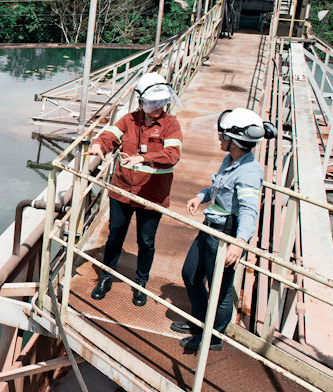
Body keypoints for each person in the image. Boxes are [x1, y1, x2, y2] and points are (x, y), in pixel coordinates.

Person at [171, 108, 275, 351]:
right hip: (210, 229)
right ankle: (200, 322)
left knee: (220, 289)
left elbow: (249, 210)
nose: (220, 139)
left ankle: (213, 337)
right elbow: (217, 189)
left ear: (234, 141)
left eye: (223, 136)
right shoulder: (230, 161)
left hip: (226, 236)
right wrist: (201, 196)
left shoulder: (249, 172)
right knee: (190, 274)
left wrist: (239, 243)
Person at [87, 72, 183, 306]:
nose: (158, 107)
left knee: (146, 241)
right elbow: (110, 136)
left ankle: (141, 284)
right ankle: (106, 277)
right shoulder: (129, 120)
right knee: (115, 236)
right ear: (141, 101)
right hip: (122, 191)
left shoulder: (171, 125)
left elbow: (172, 155)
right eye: (153, 103)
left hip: (152, 196)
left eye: (162, 102)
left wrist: (144, 158)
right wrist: (98, 144)